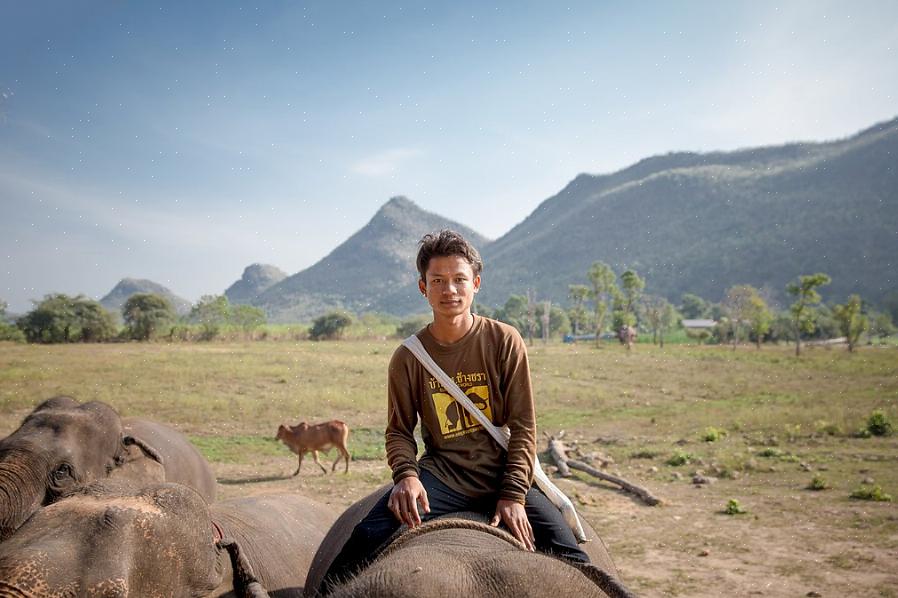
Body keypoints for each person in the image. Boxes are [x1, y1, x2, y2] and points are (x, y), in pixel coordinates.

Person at [322, 229, 588, 590]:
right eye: (438, 281)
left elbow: (524, 427)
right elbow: (399, 430)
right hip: (443, 479)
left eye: (459, 280)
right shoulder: (408, 357)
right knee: (363, 541)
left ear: (475, 283)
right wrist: (407, 476)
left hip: (503, 474)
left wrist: (512, 494)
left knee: (575, 563)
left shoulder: (503, 340)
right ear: (423, 287)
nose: (449, 290)